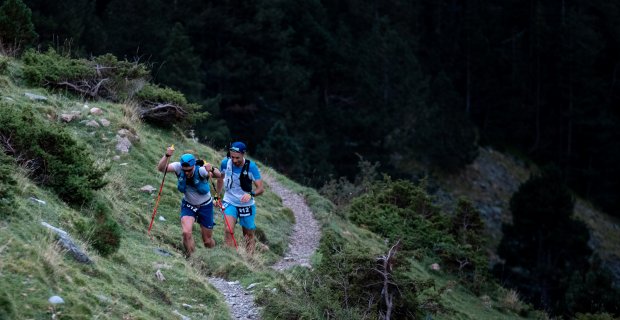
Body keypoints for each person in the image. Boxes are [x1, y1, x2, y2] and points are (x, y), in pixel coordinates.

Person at [157, 147, 222, 257]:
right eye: (184, 170)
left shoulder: (200, 170)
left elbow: (218, 175)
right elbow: (161, 168)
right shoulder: (178, 167)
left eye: (189, 170)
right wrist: (167, 155)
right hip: (188, 205)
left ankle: (213, 255)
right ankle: (192, 258)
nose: (186, 172)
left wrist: (211, 169)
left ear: (194, 166)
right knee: (186, 233)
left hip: (205, 206)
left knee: (207, 241)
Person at [216, 141, 264, 254]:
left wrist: (251, 194)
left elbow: (261, 188)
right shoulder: (225, 163)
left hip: (246, 205)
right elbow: (220, 178)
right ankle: (232, 259)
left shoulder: (251, 166)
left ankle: (250, 259)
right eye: (232, 157)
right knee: (228, 230)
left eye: (237, 158)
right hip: (229, 201)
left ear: (243, 154)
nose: (234, 160)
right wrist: (216, 196)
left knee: (248, 235)